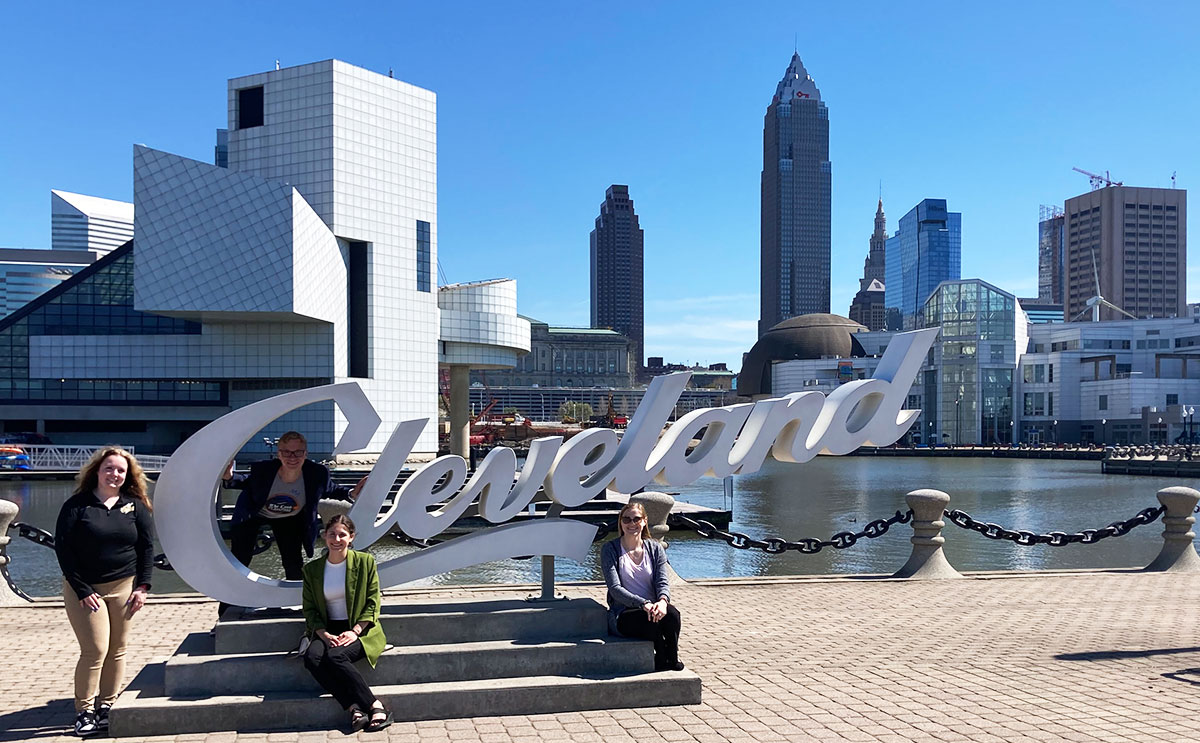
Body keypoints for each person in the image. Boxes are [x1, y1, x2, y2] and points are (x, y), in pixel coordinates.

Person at [55, 447, 155, 737]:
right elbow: (64, 551)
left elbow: (146, 548)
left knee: (117, 650)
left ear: (128, 475)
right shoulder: (77, 506)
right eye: (109, 468)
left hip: (124, 587)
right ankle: (84, 711)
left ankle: (106, 706)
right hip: (84, 590)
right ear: (97, 471)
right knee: (95, 650)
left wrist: (143, 587)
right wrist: (82, 589)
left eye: (120, 470)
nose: (114, 474)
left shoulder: (135, 505)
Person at [221, 431, 365, 610]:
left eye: (298, 452)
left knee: (294, 563)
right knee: (239, 560)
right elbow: (243, 481)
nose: (292, 457)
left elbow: (332, 489)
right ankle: (227, 611)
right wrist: (228, 476)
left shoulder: (316, 473)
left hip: (289, 518)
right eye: (287, 452)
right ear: (279, 453)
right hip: (255, 515)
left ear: (305, 453)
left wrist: (351, 493)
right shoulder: (263, 469)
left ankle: (301, 608)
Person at [301, 514, 391, 732]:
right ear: (324, 536)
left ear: (351, 537)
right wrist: (324, 634)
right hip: (328, 629)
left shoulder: (365, 562)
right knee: (312, 658)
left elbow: (372, 602)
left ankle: (375, 705)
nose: (336, 539)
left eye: (342, 534)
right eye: (332, 534)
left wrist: (355, 631)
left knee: (335, 656)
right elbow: (310, 609)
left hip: (361, 629)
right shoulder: (312, 570)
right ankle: (354, 709)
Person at [600, 501, 684, 672]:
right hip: (624, 612)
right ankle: (661, 657)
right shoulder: (610, 549)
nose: (632, 524)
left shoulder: (654, 548)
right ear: (621, 522)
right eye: (627, 519)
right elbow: (615, 589)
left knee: (673, 614)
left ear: (644, 521)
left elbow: (662, 581)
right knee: (647, 621)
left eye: (636, 519)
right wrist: (643, 603)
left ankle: (672, 657)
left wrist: (662, 601)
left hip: (653, 607)